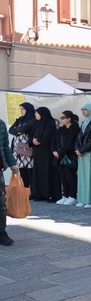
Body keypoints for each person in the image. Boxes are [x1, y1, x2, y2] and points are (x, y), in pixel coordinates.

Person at [31, 107, 61, 202]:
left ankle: (52, 195)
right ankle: (42, 194)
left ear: (42, 114)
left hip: (47, 152)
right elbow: (31, 134)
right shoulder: (37, 123)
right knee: (39, 172)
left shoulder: (50, 123)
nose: (35, 115)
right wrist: (32, 140)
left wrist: (38, 140)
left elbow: (47, 137)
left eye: (37, 113)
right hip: (38, 152)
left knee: (48, 172)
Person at [52, 111, 80, 206]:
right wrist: (54, 151)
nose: (61, 119)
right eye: (61, 118)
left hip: (69, 156)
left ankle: (73, 196)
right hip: (59, 157)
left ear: (69, 118)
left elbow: (71, 143)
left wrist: (59, 152)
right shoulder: (60, 130)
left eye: (63, 117)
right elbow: (54, 141)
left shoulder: (75, 129)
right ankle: (66, 195)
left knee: (70, 177)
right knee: (63, 177)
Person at [0, 117, 20, 246]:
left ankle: (1, 233)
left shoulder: (1, 124)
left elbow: (5, 147)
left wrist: (12, 163)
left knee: (1, 203)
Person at [9, 102, 35, 189]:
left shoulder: (32, 119)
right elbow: (11, 130)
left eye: (23, 109)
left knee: (30, 169)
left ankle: (32, 190)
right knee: (22, 169)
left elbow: (25, 128)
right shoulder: (20, 119)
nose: (21, 111)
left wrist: (19, 131)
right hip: (18, 148)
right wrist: (19, 131)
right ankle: (25, 189)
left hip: (27, 148)